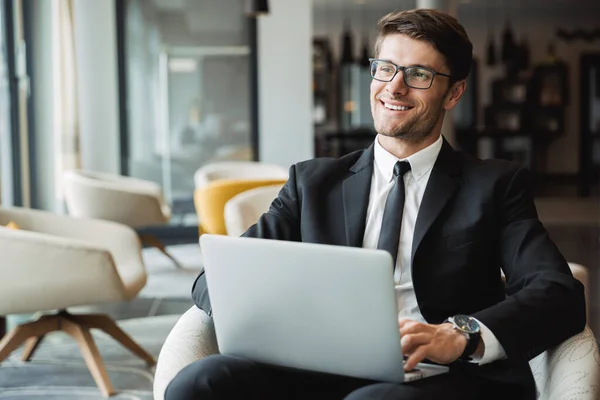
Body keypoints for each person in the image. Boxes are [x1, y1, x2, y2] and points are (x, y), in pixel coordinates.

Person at [165, 9, 585, 400]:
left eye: (418, 74)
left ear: (453, 92)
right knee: (199, 382)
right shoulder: (313, 183)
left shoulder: (494, 185)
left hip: (440, 378)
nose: (394, 87)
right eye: (385, 68)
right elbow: (216, 280)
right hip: (318, 367)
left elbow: (558, 293)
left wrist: (461, 334)